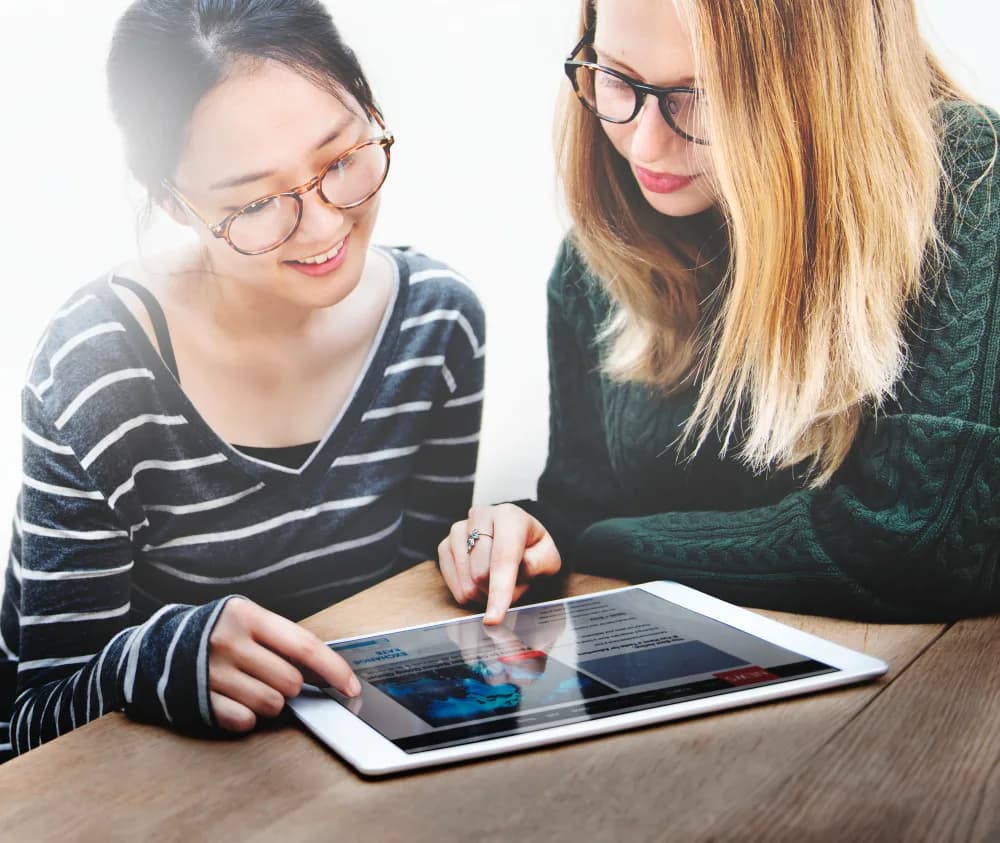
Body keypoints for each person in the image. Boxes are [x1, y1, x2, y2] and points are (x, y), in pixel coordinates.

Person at [0, 0, 484, 762]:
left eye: (340, 160)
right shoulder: (100, 370)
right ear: (172, 202)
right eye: (255, 203)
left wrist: (487, 553)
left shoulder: (437, 327)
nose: (324, 227)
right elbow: (27, 726)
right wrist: (163, 658)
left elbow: (414, 632)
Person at [438, 0, 1000, 626]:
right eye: (617, 77)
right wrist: (527, 529)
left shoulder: (968, 181)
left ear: (824, 84)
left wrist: (600, 543)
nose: (644, 143)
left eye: (702, 94)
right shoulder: (594, 264)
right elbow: (582, 502)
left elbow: (917, 545)